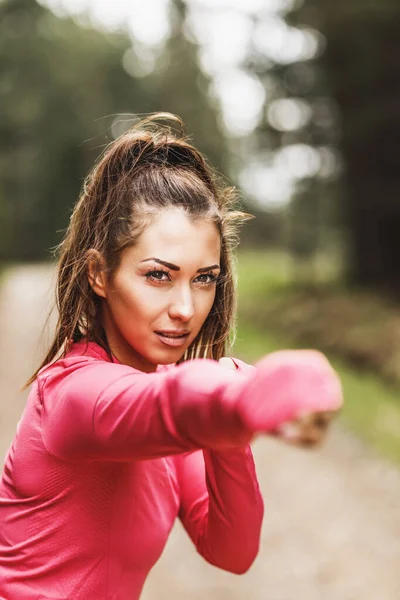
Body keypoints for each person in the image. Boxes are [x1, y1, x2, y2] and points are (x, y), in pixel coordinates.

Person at [0, 113, 342, 600]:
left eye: (204, 278)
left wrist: (231, 426)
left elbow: (232, 550)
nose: (185, 309)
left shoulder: (180, 414)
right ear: (99, 274)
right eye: (159, 275)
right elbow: (161, 404)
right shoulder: (73, 394)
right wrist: (244, 390)